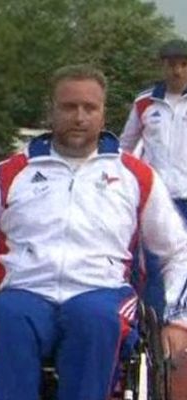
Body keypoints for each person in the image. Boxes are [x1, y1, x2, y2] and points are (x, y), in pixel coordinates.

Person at [0, 65, 187, 400]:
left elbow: (178, 249)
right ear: (51, 111)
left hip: (101, 292)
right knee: (7, 313)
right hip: (27, 291)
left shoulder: (135, 175)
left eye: (90, 108)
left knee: (95, 319)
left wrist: (177, 318)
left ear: (103, 114)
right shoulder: (12, 172)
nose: (79, 116)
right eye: (69, 106)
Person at [120, 39, 187, 316]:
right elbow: (125, 147)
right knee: (152, 264)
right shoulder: (145, 102)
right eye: (172, 64)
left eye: (184, 65)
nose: (178, 71)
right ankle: (152, 321)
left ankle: (179, 321)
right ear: (163, 65)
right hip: (155, 198)